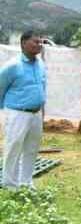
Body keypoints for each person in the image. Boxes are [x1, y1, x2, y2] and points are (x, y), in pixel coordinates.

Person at [0, 31, 46, 190]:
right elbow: (1, 86)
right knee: (13, 148)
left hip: (36, 113)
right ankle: (10, 185)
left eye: (41, 42)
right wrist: (4, 110)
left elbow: (42, 86)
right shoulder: (12, 66)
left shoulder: (40, 63)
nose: (39, 45)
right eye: (35, 42)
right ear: (23, 44)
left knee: (32, 149)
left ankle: (26, 182)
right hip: (17, 113)